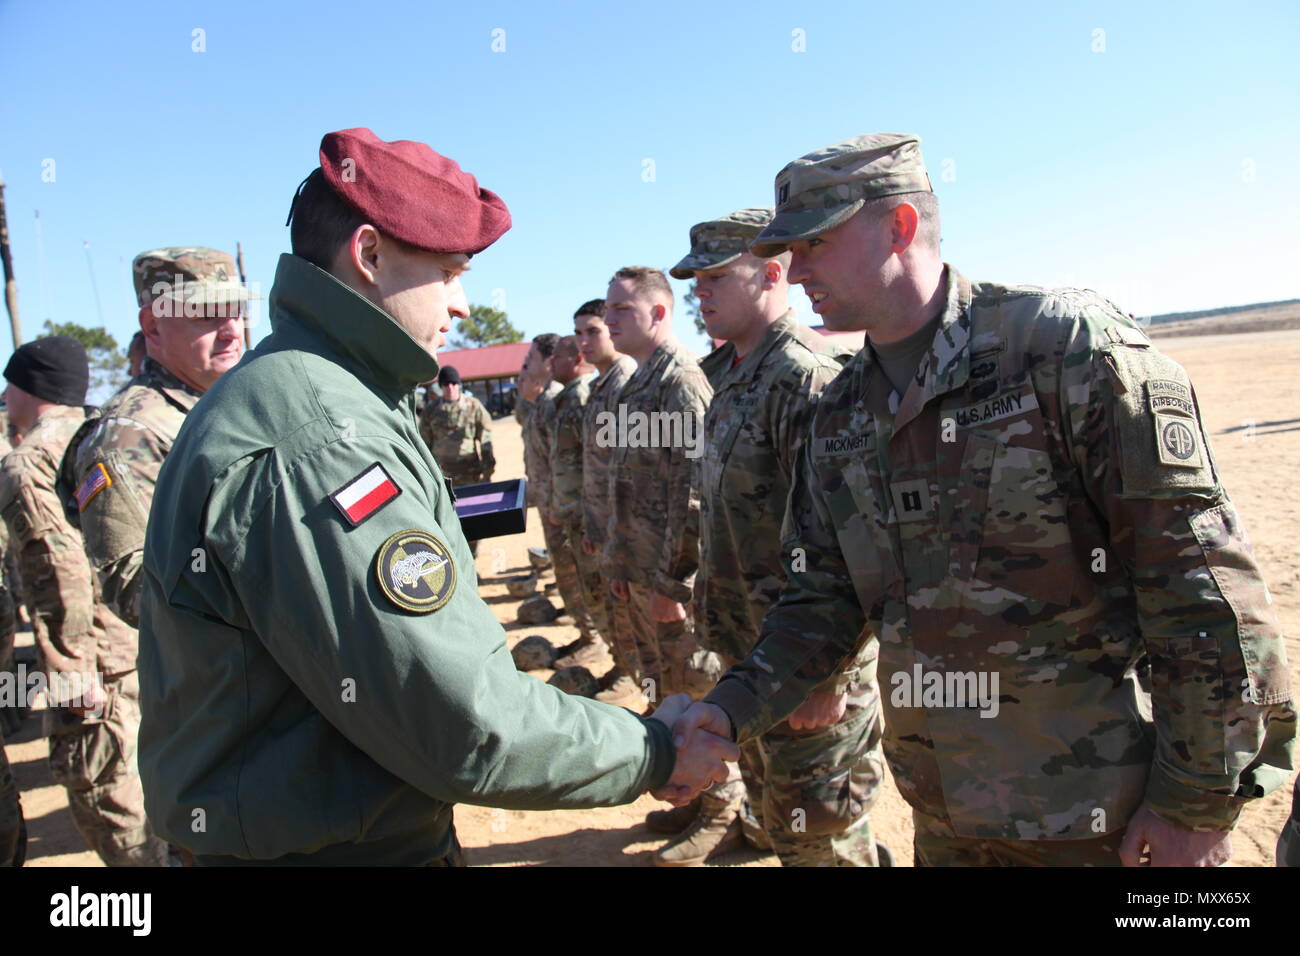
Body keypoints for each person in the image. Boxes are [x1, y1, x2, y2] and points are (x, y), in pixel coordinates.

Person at [673, 133, 1295, 866]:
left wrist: (1196, 803)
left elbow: (1200, 586)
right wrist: (728, 711)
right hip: (946, 812)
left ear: (900, 226)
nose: (795, 266)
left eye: (814, 242)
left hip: (1103, 816)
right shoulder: (841, 411)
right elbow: (823, 601)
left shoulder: (1062, 349)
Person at [137, 128, 737, 865]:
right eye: (450, 271)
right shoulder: (324, 435)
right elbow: (457, 719)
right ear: (369, 256)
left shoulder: (317, 392)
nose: (460, 303)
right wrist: (650, 751)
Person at [669, 206, 887, 866]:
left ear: (771, 273)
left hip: (806, 669)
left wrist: (829, 673)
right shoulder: (729, 377)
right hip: (751, 662)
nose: (699, 291)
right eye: (693, 280)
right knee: (777, 815)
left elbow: (859, 545)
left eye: (714, 276)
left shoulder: (808, 379)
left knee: (821, 835)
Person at [0, 337, 168, 866]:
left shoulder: (28, 462)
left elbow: (58, 570)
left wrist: (72, 677)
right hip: (137, 649)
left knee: (116, 811)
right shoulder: (105, 428)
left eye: (11, 384)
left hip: (94, 667)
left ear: (32, 388)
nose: (6, 396)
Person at [602, 265, 739, 865]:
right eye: (608, 310)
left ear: (659, 314)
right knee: (664, 692)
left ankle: (723, 811)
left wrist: (672, 583)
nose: (609, 321)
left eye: (621, 310)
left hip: (671, 586)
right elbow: (630, 486)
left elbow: (696, 495)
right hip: (640, 573)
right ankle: (688, 796)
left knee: (696, 694)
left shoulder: (681, 382)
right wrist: (619, 560)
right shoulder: (638, 384)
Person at [61, 247, 246, 628]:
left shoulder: (235, 404)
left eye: (236, 311)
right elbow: (136, 591)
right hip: (209, 676)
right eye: (208, 314)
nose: (231, 331)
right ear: (154, 326)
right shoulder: (127, 435)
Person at [573, 300, 639, 703]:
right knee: (615, 611)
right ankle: (624, 667)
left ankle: (633, 679)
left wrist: (620, 536)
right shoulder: (600, 385)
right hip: (603, 526)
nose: (584, 342)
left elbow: (631, 468)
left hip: (625, 530)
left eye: (592, 332)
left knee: (632, 612)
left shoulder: (626, 381)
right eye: (578, 333)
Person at [418, 365, 495, 558]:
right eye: (446, 384)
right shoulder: (431, 411)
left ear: (459, 385)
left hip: (470, 475)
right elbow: (424, 445)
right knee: (445, 521)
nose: (450, 388)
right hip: (442, 478)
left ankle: (472, 559)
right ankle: (453, 561)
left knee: (473, 520)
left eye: (453, 383)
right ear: (441, 387)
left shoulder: (474, 406)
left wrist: (487, 473)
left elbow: (485, 439)